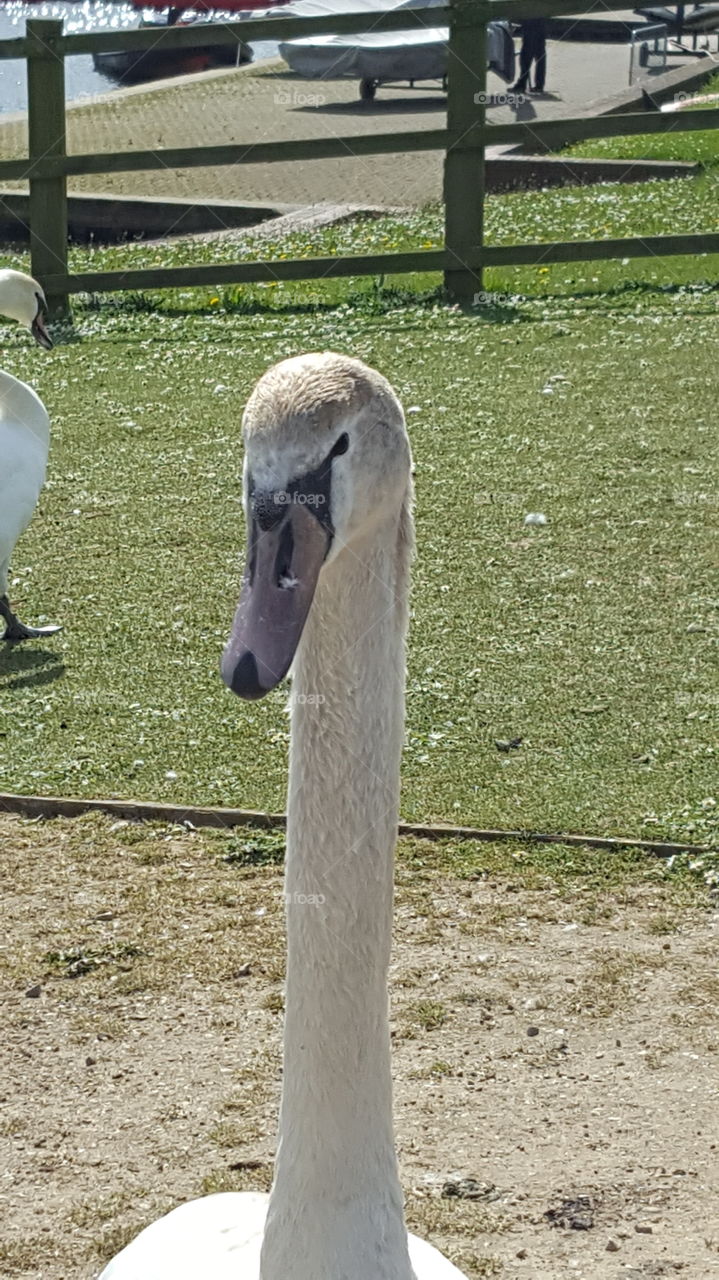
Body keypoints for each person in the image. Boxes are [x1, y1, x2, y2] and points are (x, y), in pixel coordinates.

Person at [511, 17, 547, 94]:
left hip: (531, 26)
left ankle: (522, 84)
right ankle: (539, 85)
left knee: (525, 58)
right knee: (539, 56)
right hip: (539, 26)